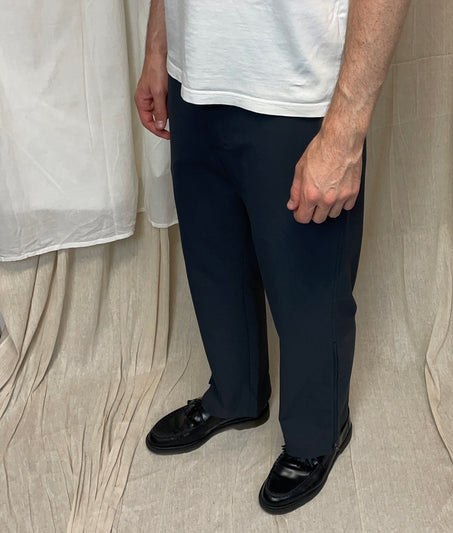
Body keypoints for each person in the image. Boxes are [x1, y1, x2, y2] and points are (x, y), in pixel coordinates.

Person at [135, 0, 410, 514]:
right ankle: (235, 395)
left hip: (295, 83)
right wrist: (158, 48)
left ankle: (317, 434)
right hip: (194, 69)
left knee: (307, 287)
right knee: (214, 261)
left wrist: (347, 129)